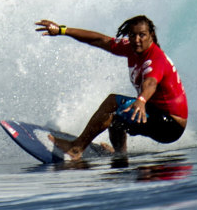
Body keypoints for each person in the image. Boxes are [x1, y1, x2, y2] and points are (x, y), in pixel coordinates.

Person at [35, 16, 188, 160]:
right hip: (156, 113)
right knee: (115, 118)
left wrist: (141, 100)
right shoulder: (131, 48)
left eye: (142, 35)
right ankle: (120, 155)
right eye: (133, 35)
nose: (137, 40)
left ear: (151, 35)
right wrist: (62, 30)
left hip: (170, 125)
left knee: (112, 101)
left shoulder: (155, 59)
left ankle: (76, 148)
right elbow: (100, 40)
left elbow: (151, 83)